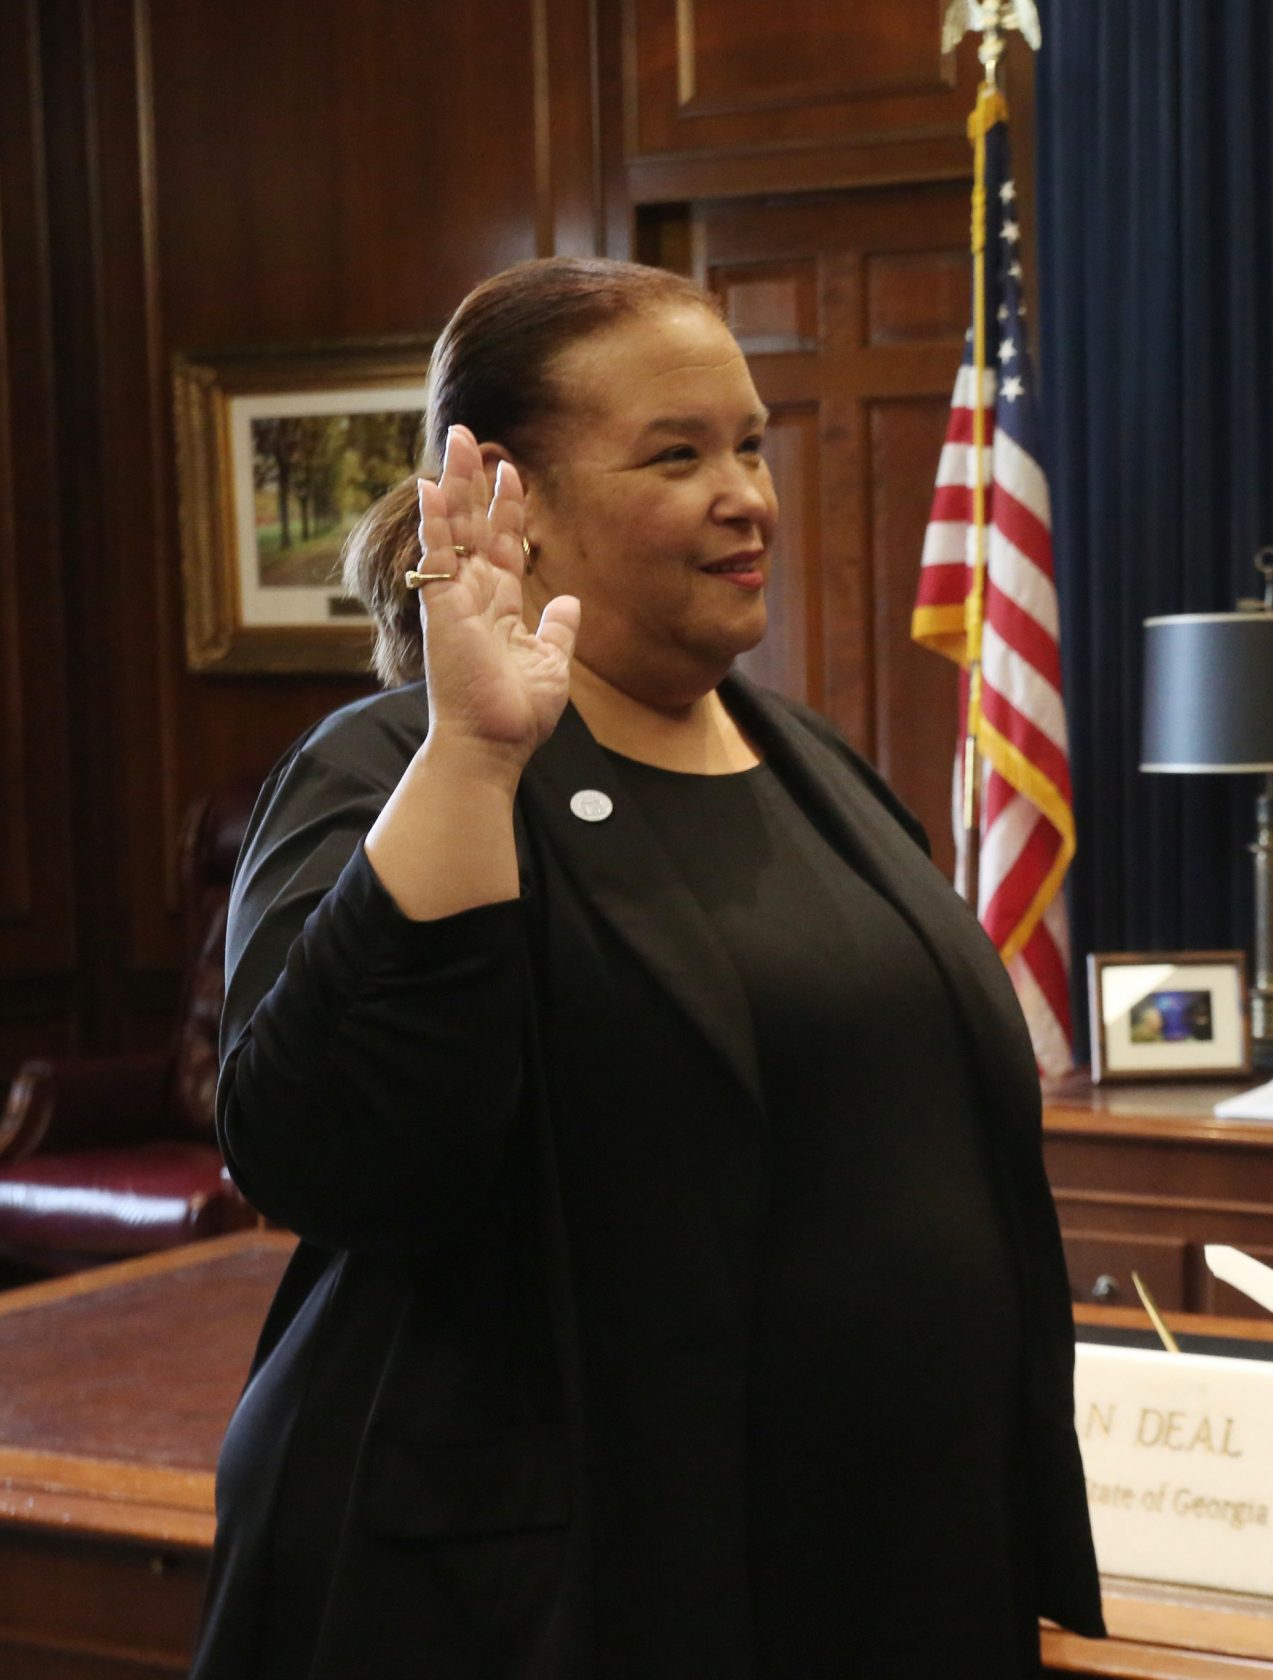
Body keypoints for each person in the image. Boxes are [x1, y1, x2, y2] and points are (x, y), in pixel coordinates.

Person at [195, 256, 1103, 1678]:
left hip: (882, 1565)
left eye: (749, 442)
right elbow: (330, 1155)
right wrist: (477, 758)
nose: (746, 492)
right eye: (676, 455)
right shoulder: (390, 769)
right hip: (558, 1594)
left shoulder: (809, 761)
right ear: (515, 501)